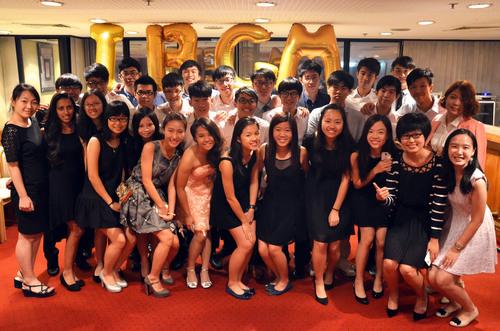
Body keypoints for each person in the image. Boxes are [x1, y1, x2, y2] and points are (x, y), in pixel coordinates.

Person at [374, 112, 447, 320]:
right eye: (406, 136)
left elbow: (439, 203)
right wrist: (382, 198)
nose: (411, 140)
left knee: (407, 269)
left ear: (426, 136)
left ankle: (421, 296)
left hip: (425, 221)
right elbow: (392, 197)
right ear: (399, 139)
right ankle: (394, 294)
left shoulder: (438, 164)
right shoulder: (396, 162)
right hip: (400, 219)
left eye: (416, 135)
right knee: (389, 264)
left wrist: (434, 238)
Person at [428, 129, 497, 328]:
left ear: (474, 151)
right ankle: (454, 302)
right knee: (432, 276)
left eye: (465, 147)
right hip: (454, 223)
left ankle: (470, 309)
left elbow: (476, 219)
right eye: (454, 146)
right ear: (447, 148)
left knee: (442, 278)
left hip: (474, 228)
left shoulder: (477, 180)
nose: (459, 152)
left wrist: (456, 248)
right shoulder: (448, 171)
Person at [120, 112, 187, 297]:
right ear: (163, 130)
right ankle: (153, 277)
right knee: (166, 238)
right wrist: (162, 206)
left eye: (180, 131)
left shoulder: (178, 155)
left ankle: (163, 267)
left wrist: (171, 211)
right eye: (171, 130)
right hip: (136, 191)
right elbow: (147, 180)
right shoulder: (151, 147)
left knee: (174, 243)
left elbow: (172, 186)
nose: (175, 135)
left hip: (157, 194)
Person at [2, 84, 54, 298]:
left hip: (40, 187)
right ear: (13, 101)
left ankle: (24, 273)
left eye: (33, 101)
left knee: (36, 234)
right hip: (27, 190)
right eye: (23, 101)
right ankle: (30, 281)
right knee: (26, 236)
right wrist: (22, 195)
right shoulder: (11, 130)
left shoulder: (33, 122)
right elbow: (13, 165)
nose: (29, 106)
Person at [75, 101, 130, 293]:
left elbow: (124, 174)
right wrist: (110, 202)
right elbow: (92, 175)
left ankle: (106, 268)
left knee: (102, 233)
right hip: (95, 197)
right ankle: (107, 272)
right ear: (106, 119)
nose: (118, 123)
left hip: (113, 197)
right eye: (114, 118)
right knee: (119, 240)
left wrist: (123, 198)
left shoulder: (123, 141)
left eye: (123, 119)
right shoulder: (95, 140)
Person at [303, 104, 354, 305]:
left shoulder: (348, 145)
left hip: (339, 198)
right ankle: (318, 281)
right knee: (320, 242)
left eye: (337, 121)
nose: (331, 125)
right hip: (315, 196)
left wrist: (336, 209)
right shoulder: (310, 142)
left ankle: (330, 272)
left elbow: (346, 179)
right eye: (328, 120)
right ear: (321, 121)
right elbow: (305, 167)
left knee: (334, 248)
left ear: (343, 124)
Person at [257, 114, 309, 296]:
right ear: (271, 132)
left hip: (292, 207)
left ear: (294, 133)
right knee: (263, 249)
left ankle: (285, 280)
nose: (282, 134)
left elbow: (306, 179)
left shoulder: (301, 152)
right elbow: (256, 176)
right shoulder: (264, 150)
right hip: (269, 204)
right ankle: (280, 275)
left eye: (287, 130)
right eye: (278, 130)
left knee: (274, 248)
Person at [210, 117, 260, 299]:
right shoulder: (227, 161)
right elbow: (229, 197)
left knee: (251, 242)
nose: (254, 138)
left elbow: (254, 181)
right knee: (246, 243)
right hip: (226, 206)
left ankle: (239, 279)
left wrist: (252, 208)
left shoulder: (255, 155)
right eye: (248, 135)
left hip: (245, 202)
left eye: (256, 133)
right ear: (238, 138)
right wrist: (244, 220)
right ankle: (232, 282)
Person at [350, 115, 395, 304]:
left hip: (384, 201)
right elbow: (358, 184)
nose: (375, 136)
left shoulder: (393, 153)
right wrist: (375, 170)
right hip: (363, 200)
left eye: (380, 132)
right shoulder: (357, 155)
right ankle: (358, 280)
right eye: (370, 131)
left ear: (387, 136)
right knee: (367, 239)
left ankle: (378, 277)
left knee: (382, 241)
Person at [44, 93, 85, 291]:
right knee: (76, 228)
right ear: (55, 110)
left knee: (76, 230)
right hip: (60, 187)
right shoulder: (49, 133)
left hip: (79, 184)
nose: (66, 112)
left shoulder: (79, 129)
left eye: (69, 107)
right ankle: (66, 272)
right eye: (61, 108)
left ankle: (70, 268)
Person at [176, 118, 223, 289]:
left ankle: (204, 269)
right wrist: (186, 213)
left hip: (210, 196)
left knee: (208, 233)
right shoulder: (190, 155)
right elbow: (180, 187)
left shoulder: (217, 150)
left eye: (210, 134)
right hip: (192, 196)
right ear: (195, 138)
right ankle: (190, 268)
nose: (207, 139)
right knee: (201, 234)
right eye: (201, 136)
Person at [75, 89, 108, 272]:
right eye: (88, 104)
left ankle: (107, 262)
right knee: (96, 226)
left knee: (107, 225)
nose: (92, 107)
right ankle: (100, 263)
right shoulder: (82, 128)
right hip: (90, 178)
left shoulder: (112, 124)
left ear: (103, 104)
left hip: (110, 176)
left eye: (96, 103)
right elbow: (88, 166)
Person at [428, 80, 486, 168]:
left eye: (462, 100)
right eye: (453, 97)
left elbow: (478, 163)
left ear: (468, 104)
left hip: (454, 177)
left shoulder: (476, 127)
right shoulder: (436, 119)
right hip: (432, 173)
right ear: (446, 97)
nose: (456, 103)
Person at [306, 70, 365, 142]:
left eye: (343, 88)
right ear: (328, 89)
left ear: (350, 91)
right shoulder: (316, 113)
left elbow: (360, 143)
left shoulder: (358, 117)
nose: (338, 91)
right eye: (335, 87)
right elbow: (309, 140)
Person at [263, 77, 309, 144]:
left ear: (299, 96)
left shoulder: (305, 116)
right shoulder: (268, 116)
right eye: (285, 93)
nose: (289, 98)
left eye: (293, 93)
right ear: (280, 95)